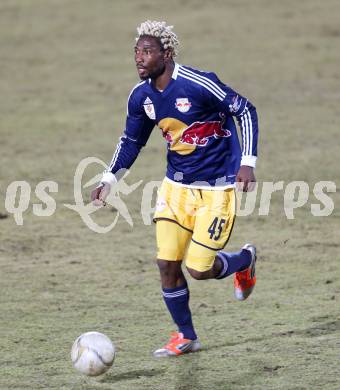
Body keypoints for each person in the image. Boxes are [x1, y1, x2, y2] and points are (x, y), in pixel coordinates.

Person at [91, 20, 259, 357]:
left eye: (147, 52)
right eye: (136, 52)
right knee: (167, 263)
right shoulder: (141, 97)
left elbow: (244, 110)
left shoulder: (199, 83)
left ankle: (244, 261)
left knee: (198, 269)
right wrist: (109, 179)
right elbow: (131, 142)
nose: (139, 58)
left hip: (216, 190)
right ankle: (186, 336)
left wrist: (248, 161)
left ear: (166, 54)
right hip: (175, 189)